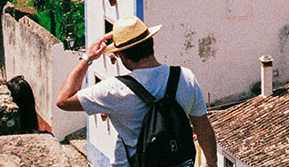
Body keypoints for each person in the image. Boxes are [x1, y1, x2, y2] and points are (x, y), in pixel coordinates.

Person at [55, 17, 218, 167]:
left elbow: (64, 100)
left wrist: (87, 57)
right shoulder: (185, 77)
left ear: (123, 56)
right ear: (151, 41)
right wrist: (211, 164)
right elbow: (203, 128)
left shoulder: (113, 90)